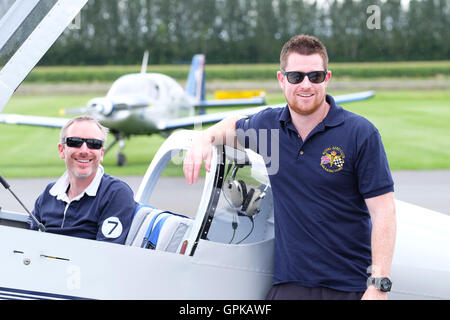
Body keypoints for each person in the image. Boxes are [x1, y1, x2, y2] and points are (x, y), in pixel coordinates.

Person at [183, 34, 396, 300]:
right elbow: (232, 125)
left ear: (327, 78)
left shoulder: (360, 133)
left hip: (348, 286)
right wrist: (204, 137)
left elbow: (383, 212)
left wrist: (378, 285)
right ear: (281, 79)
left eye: (315, 76)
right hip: (290, 285)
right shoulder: (270, 128)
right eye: (296, 77)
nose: (306, 85)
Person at [30, 116, 138, 244]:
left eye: (94, 144)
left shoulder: (116, 194)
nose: (84, 151)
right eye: (75, 142)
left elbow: (105, 255)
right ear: (61, 150)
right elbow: (30, 242)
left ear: (101, 153)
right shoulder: (49, 193)